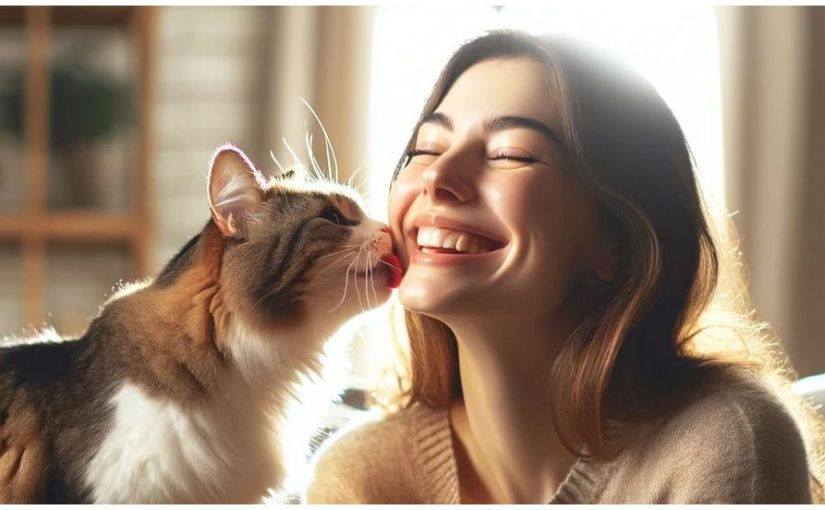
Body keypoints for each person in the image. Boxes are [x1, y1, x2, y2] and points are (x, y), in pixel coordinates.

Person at [305, 30, 825, 504]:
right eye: (426, 148)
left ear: (617, 240)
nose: (438, 175)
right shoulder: (359, 477)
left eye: (510, 153)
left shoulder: (726, 440)